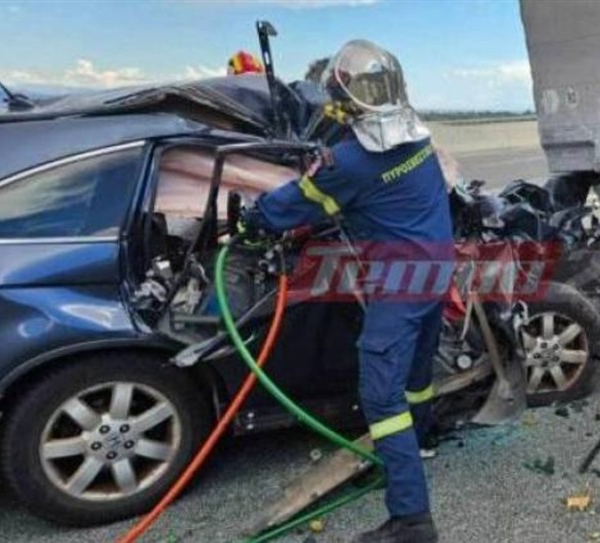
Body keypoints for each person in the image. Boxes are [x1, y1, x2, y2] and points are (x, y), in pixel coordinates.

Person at [240, 40, 446, 543]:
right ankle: (414, 448)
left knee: (381, 397)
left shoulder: (348, 164)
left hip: (399, 285)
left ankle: (411, 520)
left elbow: (290, 207)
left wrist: (250, 224)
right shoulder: (418, 139)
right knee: (417, 377)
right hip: (437, 272)